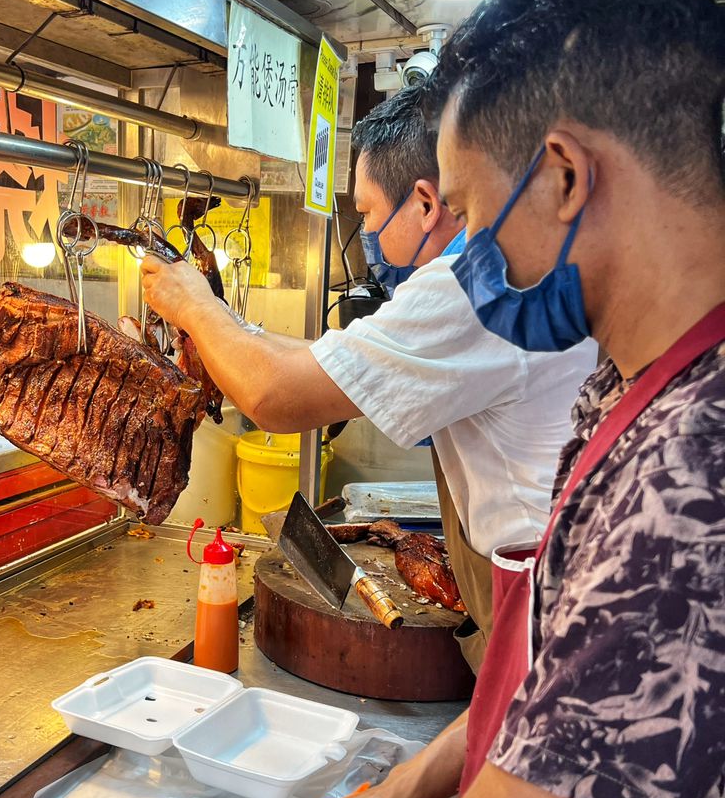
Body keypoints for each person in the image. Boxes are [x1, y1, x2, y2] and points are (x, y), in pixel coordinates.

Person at [260, 0, 725, 798]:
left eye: (471, 215)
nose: (463, 257)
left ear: (565, 174)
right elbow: (563, 703)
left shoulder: (698, 473)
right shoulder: (632, 383)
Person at [141, 86, 596, 669]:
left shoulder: (470, 284)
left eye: (368, 213)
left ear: (427, 203)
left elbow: (275, 396)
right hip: (545, 588)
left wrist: (195, 310)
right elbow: (327, 358)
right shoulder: (512, 266)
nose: (367, 233)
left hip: (545, 610)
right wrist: (226, 324)